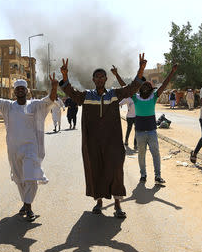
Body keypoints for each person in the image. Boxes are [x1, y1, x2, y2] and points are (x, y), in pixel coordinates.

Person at [59, 54, 147, 218]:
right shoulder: (86, 96)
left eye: (102, 76)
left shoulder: (114, 94)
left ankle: (117, 205)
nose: (99, 79)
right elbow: (71, 92)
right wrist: (65, 76)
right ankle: (98, 202)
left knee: (115, 171)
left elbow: (131, 88)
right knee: (95, 170)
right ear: (93, 80)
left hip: (112, 142)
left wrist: (140, 70)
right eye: (96, 77)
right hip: (92, 142)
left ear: (106, 79)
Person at [0, 71, 58, 222]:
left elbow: (50, 100)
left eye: (23, 89)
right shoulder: (8, 106)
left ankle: (28, 207)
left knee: (32, 177)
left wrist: (54, 86)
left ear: (27, 91)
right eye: (18, 89)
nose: (20, 91)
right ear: (14, 92)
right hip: (14, 149)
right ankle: (26, 202)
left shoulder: (34, 105)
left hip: (31, 149)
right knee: (19, 179)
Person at [131, 64, 178, 184]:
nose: (146, 88)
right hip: (140, 132)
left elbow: (164, 84)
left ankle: (157, 176)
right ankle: (143, 175)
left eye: (148, 86)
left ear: (151, 89)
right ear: (140, 89)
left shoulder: (153, 97)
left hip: (152, 131)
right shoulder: (135, 98)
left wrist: (172, 72)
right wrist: (116, 75)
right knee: (141, 155)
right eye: (144, 86)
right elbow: (125, 86)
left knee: (155, 155)